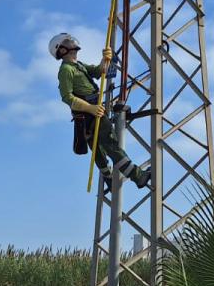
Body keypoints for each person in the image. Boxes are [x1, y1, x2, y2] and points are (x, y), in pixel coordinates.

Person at [50, 33, 151, 190]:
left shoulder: (78, 65)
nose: (72, 43)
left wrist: (105, 59)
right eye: (67, 42)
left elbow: (99, 72)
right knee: (111, 144)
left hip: (93, 110)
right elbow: (67, 97)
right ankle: (138, 176)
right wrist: (90, 108)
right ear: (61, 49)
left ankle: (108, 177)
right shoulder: (66, 70)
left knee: (99, 148)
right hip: (89, 114)